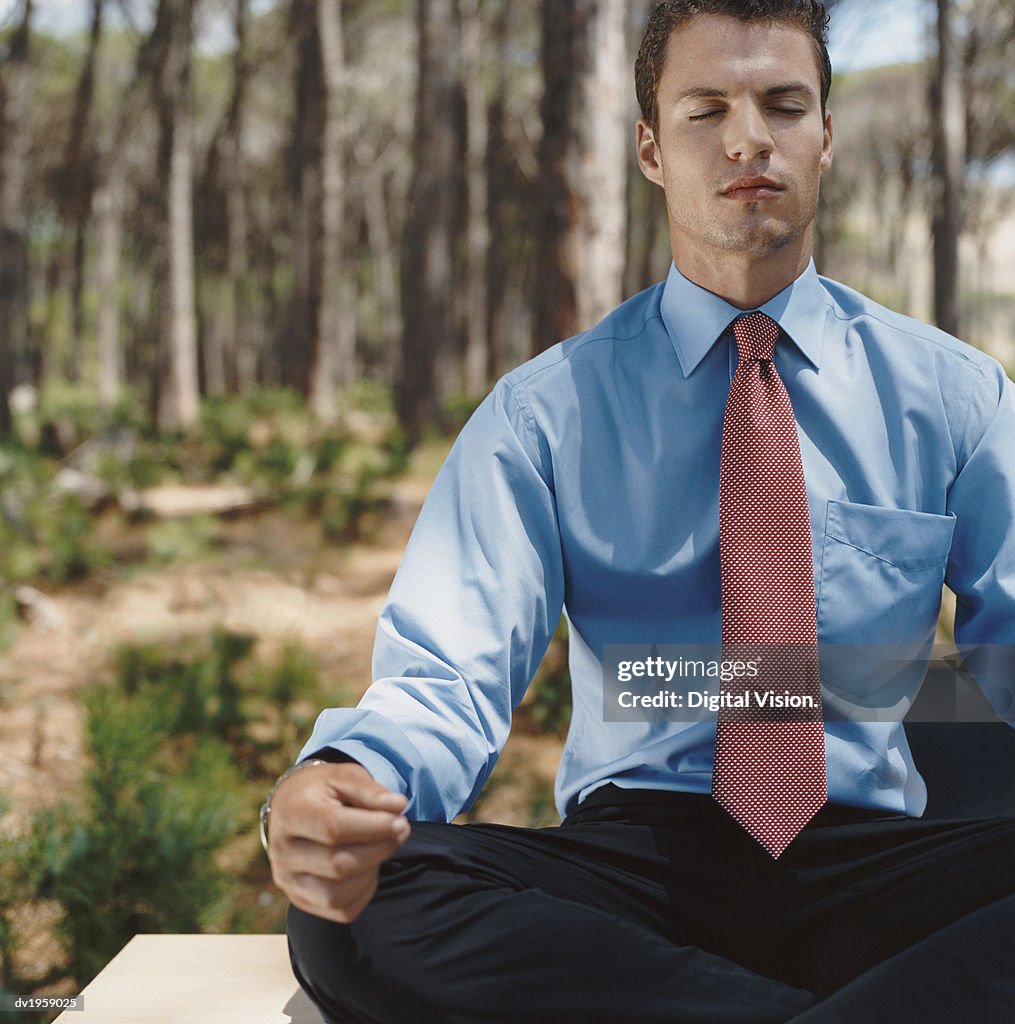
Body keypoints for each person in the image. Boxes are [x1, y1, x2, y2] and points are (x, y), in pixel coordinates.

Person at [265, 2, 1015, 1021]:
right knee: (355, 907)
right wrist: (339, 782)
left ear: (826, 136)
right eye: (706, 110)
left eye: (783, 105)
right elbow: (446, 676)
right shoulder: (543, 414)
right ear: (652, 149)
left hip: (873, 864)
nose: (748, 137)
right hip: (639, 864)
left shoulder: (956, 398)